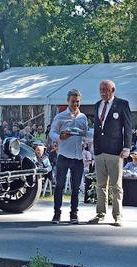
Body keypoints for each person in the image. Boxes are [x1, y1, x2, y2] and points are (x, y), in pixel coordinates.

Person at [89, 80, 132, 227]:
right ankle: (100, 214)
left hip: (115, 151)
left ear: (113, 90)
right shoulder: (97, 105)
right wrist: (94, 147)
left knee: (116, 185)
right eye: (101, 89)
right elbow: (96, 127)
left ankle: (118, 216)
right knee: (100, 185)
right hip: (100, 150)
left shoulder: (122, 104)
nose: (102, 92)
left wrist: (127, 147)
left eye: (106, 89)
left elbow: (128, 127)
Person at [49, 89, 87, 224]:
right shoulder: (60, 117)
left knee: (76, 188)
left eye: (77, 102)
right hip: (64, 155)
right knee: (59, 186)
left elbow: (85, 134)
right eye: (73, 102)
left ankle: (74, 214)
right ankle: (57, 214)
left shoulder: (83, 117)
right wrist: (60, 137)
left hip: (78, 157)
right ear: (67, 101)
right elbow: (51, 133)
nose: (75, 104)